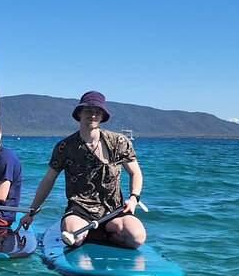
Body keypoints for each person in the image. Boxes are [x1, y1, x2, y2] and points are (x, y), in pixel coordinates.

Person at [17, 90, 146, 249]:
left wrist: (134, 198)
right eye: (88, 111)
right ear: (79, 113)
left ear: (102, 116)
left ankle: (102, 234)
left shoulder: (119, 142)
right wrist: (31, 213)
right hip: (80, 210)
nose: (93, 115)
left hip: (114, 211)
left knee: (137, 237)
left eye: (97, 112)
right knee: (74, 236)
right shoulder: (64, 147)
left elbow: (135, 173)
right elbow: (48, 180)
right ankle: (87, 233)